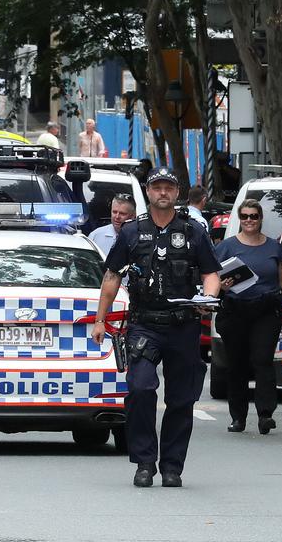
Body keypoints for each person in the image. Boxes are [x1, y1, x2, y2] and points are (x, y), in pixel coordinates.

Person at [92, 167, 220, 488]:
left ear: (177, 193)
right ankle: (145, 461)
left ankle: (173, 466)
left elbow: (211, 273)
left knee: (181, 399)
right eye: (157, 187)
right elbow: (112, 276)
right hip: (144, 324)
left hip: (183, 325)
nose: (163, 192)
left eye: (169, 187)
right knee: (140, 388)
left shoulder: (192, 231)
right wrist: (99, 319)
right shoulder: (132, 232)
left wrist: (209, 296)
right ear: (148, 192)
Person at [212, 199, 282, 435]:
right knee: (237, 365)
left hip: (265, 311)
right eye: (245, 217)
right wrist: (222, 286)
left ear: (261, 219)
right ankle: (238, 417)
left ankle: (265, 414)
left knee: (262, 360)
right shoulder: (226, 247)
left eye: (253, 216)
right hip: (235, 310)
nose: (249, 220)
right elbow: (212, 281)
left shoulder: (273, 248)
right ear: (239, 220)